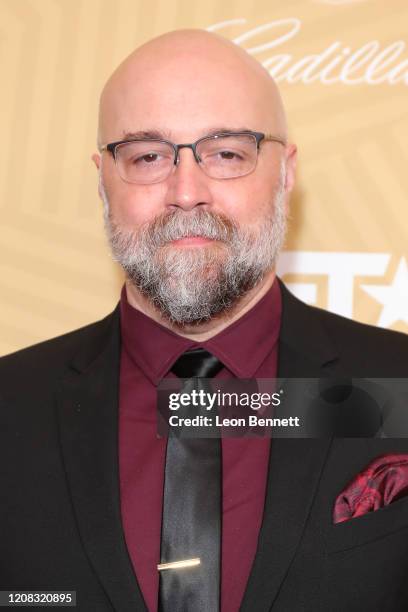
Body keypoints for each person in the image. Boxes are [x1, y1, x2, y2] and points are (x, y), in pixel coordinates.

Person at [1, 28, 408, 612]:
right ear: (101, 181)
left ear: (286, 174)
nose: (186, 191)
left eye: (227, 153)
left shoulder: (400, 385)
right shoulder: (9, 407)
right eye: (147, 155)